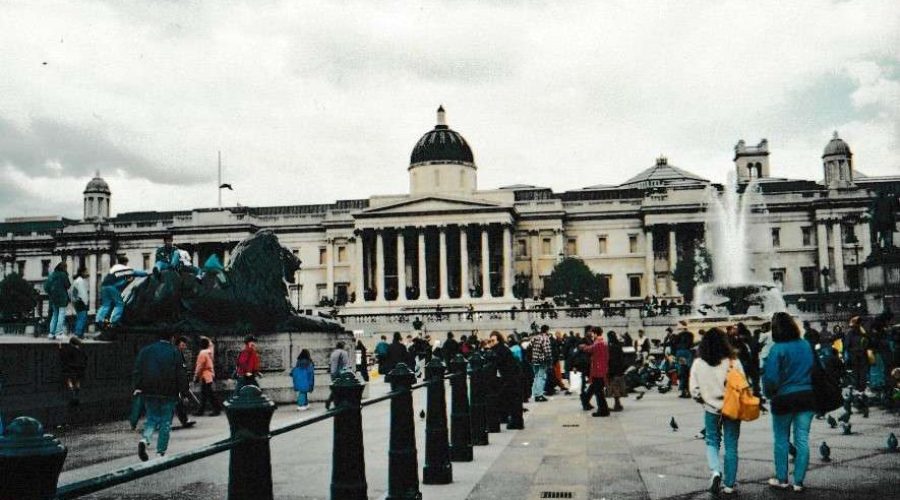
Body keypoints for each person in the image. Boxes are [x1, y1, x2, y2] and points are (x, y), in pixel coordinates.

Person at [763, 312, 815, 492]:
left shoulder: (777, 349)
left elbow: (771, 378)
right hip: (807, 395)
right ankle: (799, 482)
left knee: (781, 439)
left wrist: (768, 394)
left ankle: (782, 478)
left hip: (784, 397)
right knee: (802, 439)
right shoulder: (806, 344)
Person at [689, 327, 744, 495]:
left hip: (711, 409)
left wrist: (705, 399)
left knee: (712, 441)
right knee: (731, 445)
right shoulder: (733, 361)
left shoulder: (699, 363)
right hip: (732, 408)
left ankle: (715, 471)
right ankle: (729, 484)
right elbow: (743, 384)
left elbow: (694, 390)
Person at [132, 332, 189, 461]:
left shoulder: (146, 351)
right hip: (168, 392)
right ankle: (160, 452)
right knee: (165, 422)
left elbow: (138, 370)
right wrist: (184, 392)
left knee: (151, 419)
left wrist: (137, 387)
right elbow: (181, 374)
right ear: (172, 338)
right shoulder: (175, 352)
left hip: (149, 390)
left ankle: (145, 440)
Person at [96, 255, 148, 332]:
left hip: (104, 286)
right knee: (119, 304)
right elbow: (136, 273)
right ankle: (114, 321)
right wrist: (147, 273)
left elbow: (118, 283)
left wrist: (126, 281)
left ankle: (99, 319)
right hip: (111, 287)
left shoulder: (114, 269)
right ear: (124, 262)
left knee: (106, 304)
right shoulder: (124, 268)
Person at [579, 327, 610, 417]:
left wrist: (583, 346)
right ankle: (603, 409)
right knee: (598, 390)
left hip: (597, 370)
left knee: (598, 392)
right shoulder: (604, 342)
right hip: (602, 369)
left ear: (595, 333)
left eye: (593, 333)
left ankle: (603, 410)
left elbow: (590, 349)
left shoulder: (598, 343)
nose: (592, 335)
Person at [193, 337, 221, 416]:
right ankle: (202, 410)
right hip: (209, 375)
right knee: (206, 393)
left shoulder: (202, 353)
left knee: (208, 394)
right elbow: (211, 345)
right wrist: (207, 339)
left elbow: (199, 366)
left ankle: (215, 409)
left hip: (205, 376)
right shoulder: (210, 352)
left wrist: (195, 377)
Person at [173, 337, 197, 429]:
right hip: (175, 383)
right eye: (182, 345)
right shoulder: (176, 354)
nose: (184, 347)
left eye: (184, 345)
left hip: (176, 382)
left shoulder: (178, 353)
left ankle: (184, 420)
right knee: (176, 403)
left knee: (178, 403)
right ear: (178, 345)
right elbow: (180, 371)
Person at [44, 261, 71, 340]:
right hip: (62, 297)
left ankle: (51, 333)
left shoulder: (52, 275)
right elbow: (68, 285)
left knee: (54, 315)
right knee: (61, 314)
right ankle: (59, 333)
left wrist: (51, 293)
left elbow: (46, 287)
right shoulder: (63, 275)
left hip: (53, 298)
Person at [59, 336, 88, 405]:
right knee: (78, 381)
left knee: (69, 380)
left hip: (71, 368)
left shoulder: (69, 349)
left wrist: (60, 348)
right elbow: (85, 358)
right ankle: (77, 395)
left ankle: (73, 395)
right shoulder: (81, 350)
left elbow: (63, 356)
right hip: (81, 368)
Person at [845, 316, 870, 392]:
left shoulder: (862, 333)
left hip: (859, 355)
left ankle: (860, 387)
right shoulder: (852, 334)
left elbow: (868, 342)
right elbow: (847, 345)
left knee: (860, 372)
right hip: (857, 356)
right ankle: (859, 387)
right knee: (858, 371)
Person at [325, 341, 351, 410]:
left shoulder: (333, 353)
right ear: (342, 346)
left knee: (336, 388)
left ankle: (331, 401)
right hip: (341, 373)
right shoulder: (343, 353)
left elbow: (330, 364)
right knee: (342, 388)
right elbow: (346, 364)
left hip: (333, 373)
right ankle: (336, 402)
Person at [530, 325, 553, 402]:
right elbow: (547, 351)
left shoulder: (535, 338)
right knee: (542, 377)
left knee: (536, 376)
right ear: (547, 330)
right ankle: (540, 394)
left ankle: (536, 394)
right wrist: (550, 360)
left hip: (534, 359)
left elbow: (530, 346)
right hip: (542, 360)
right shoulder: (545, 338)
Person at [606, 331, 627, 412]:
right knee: (618, 386)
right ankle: (618, 404)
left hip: (613, 369)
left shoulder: (611, 347)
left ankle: (617, 405)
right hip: (619, 369)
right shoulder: (618, 345)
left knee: (614, 387)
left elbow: (609, 359)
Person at [69, 266, 90, 338]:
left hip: (76, 301)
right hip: (80, 301)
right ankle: (78, 333)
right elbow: (82, 293)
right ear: (82, 272)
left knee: (80, 317)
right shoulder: (80, 281)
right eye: (86, 271)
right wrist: (85, 303)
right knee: (82, 317)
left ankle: (79, 333)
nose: (87, 273)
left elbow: (72, 292)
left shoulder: (76, 280)